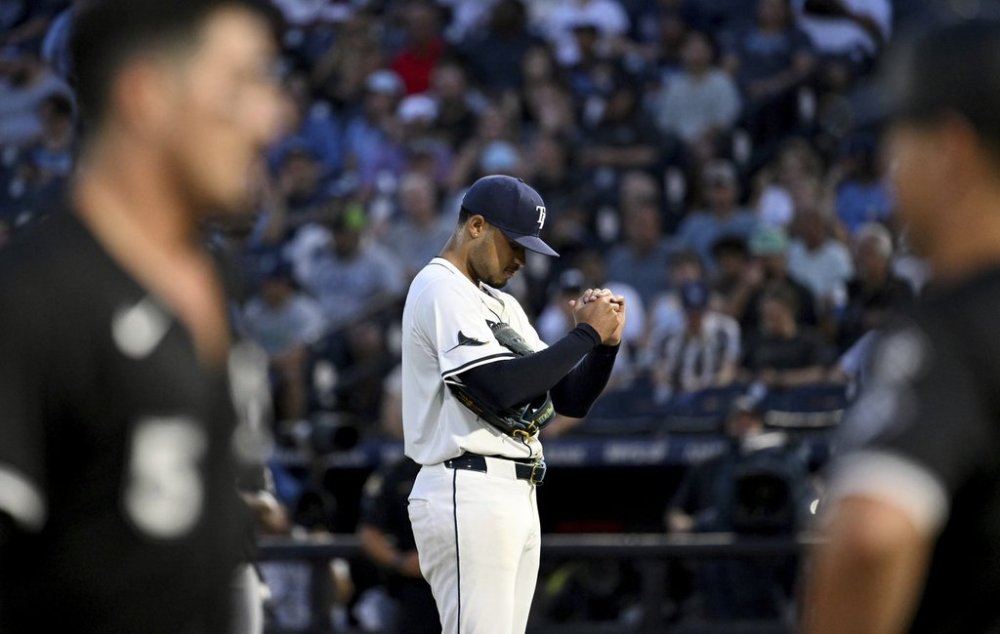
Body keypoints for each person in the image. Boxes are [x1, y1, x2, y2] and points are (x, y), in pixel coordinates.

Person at [0, 0, 286, 632]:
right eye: (240, 85)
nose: (272, 117)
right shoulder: (33, 300)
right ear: (146, 96)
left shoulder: (215, 285)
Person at [804, 20, 1000, 633]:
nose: (890, 168)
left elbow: (871, 538)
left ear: (950, 149)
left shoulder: (954, 325)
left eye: (898, 140)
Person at [401, 174, 624, 632]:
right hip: (467, 483)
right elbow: (497, 387)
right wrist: (585, 333)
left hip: (513, 491)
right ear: (476, 226)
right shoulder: (440, 286)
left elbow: (569, 398)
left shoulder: (502, 305)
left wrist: (604, 346)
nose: (522, 259)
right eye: (515, 244)